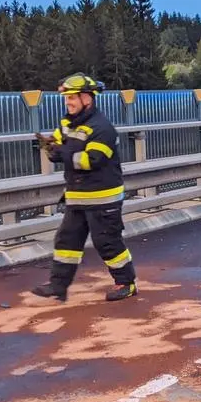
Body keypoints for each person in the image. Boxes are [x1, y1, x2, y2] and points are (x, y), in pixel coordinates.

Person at [30, 73, 136, 302]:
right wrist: (50, 148)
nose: (68, 103)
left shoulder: (102, 128)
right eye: (66, 98)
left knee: (107, 242)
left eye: (72, 98)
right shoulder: (68, 124)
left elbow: (93, 160)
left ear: (87, 99)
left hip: (103, 198)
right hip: (77, 197)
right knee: (66, 241)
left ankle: (126, 283)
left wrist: (63, 153)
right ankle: (58, 286)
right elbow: (58, 146)